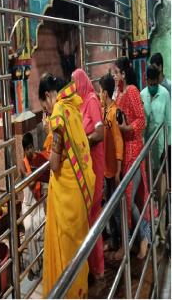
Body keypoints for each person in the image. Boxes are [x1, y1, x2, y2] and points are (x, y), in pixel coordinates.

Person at [39, 74, 95, 298]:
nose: (46, 112)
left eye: (44, 108)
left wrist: (47, 131)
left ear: (47, 96)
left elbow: (54, 164)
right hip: (80, 191)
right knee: (78, 244)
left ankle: (69, 293)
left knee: (67, 249)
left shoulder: (58, 114)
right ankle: (80, 290)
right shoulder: (72, 106)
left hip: (66, 197)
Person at [113, 56, 151, 259]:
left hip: (134, 148)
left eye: (116, 72)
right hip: (123, 149)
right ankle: (136, 239)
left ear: (124, 73)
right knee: (128, 199)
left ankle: (143, 238)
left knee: (130, 198)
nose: (114, 75)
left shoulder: (133, 91)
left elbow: (141, 120)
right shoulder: (119, 93)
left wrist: (127, 128)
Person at [72, 68, 105, 282]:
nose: (74, 88)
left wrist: (83, 143)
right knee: (88, 215)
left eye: (76, 83)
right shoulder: (81, 103)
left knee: (93, 213)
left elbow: (100, 133)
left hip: (95, 164)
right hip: (86, 165)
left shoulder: (92, 100)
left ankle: (99, 268)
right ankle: (91, 268)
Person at [141, 65, 171, 243]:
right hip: (146, 152)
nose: (151, 85)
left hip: (161, 150)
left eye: (154, 83)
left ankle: (162, 232)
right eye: (149, 82)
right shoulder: (142, 94)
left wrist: (168, 147)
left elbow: (169, 122)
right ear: (146, 81)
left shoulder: (165, 94)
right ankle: (150, 231)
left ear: (157, 81)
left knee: (161, 193)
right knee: (148, 192)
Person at [99, 73, 124, 251]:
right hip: (105, 168)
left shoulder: (114, 113)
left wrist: (118, 170)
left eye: (100, 91)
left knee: (114, 207)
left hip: (112, 168)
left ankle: (117, 241)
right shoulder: (104, 111)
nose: (99, 94)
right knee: (108, 203)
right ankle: (111, 237)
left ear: (105, 93)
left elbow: (118, 141)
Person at [19, 132, 45, 280]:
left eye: (31, 147)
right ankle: (35, 267)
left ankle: (41, 263)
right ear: (24, 149)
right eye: (28, 148)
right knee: (29, 232)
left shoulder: (37, 159)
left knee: (42, 233)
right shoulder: (22, 164)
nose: (30, 151)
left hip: (38, 203)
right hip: (28, 205)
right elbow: (31, 182)